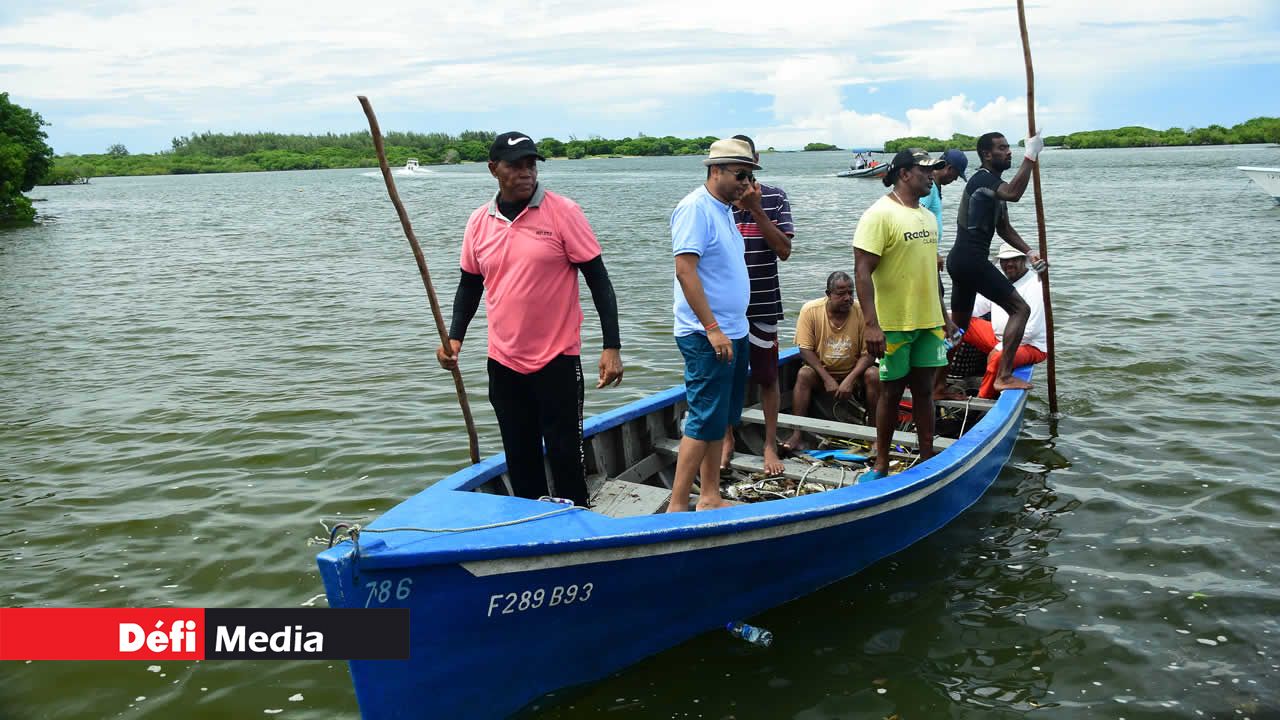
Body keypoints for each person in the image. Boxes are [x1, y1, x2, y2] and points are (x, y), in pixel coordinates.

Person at [437, 131, 624, 507]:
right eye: (515, 166)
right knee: (519, 453)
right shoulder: (479, 221)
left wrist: (611, 347)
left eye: (531, 165)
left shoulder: (563, 212)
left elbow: (599, 281)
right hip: (503, 360)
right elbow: (469, 285)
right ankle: (530, 528)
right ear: (494, 169)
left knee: (565, 453)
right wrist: (454, 337)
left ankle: (578, 525)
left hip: (557, 358)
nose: (526, 173)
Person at [666, 137, 757, 512]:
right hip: (706, 335)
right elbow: (685, 270)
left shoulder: (725, 209)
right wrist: (712, 327)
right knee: (704, 418)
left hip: (735, 330)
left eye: (750, 176)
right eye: (740, 174)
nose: (747, 184)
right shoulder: (695, 209)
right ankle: (676, 505)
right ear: (714, 170)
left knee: (721, 417)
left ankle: (709, 495)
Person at [853, 148, 955, 482]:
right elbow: (862, 271)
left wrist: (944, 313)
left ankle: (927, 457)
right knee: (891, 393)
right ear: (904, 174)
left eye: (934, 170)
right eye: (925, 170)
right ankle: (881, 463)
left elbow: (930, 271)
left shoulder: (927, 215)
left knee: (925, 392)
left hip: (928, 322)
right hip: (894, 323)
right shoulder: (878, 215)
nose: (931, 176)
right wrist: (871, 324)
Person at [945, 131, 1046, 394]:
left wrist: (1029, 251)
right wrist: (1030, 155)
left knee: (959, 328)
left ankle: (935, 384)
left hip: (962, 261)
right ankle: (1004, 376)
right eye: (1002, 148)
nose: (1008, 151)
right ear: (987, 155)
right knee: (1020, 310)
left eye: (1009, 148)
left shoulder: (994, 187)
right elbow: (1014, 193)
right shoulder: (982, 179)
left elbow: (1004, 228)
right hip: (970, 259)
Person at [722, 134, 793, 476]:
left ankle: (768, 443)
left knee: (767, 377)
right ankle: (727, 438)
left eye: (747, 165)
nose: (743, 175)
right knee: (725, 376)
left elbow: (783, 250)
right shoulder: (715, 202)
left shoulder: (776, 197)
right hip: (724, 308)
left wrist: (756, 209)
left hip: (763, 302)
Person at [782, 271, 880, 453]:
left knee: (874, 375)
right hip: (823, 372)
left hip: (853, 372)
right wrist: (827, 378)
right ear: (828, 294)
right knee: (804, 374)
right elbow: (805, 349)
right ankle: (797, 433)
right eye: (841, 294)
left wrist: (850, 380)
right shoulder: (810, 310)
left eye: (851, 293)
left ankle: (874, 433)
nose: (847, 298)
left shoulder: (861, 312)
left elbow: (869, 355)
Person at [965, 243, 1048, 398]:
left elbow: (1030, 331)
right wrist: (949, 316)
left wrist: (999, 348)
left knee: (998, 358)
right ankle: (938, 382)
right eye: (1005, 260)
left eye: (1014, 259)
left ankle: (982, 400)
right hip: (998, 337)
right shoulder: (998, 281)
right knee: (957, 323)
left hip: (1030, 345)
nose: (1009, 264)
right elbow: (975, 308)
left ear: (1023, 260)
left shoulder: (1035, 285)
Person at [920, 148, 969, 401]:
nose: (953, 180)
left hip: (927, 263)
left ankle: (933, 383)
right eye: (954, 174)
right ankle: (936, 387)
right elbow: (916, 217)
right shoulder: (928, 191)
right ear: (948, 168)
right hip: (924, 264)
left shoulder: (934, 189)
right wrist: (932, 253)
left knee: (942, 326)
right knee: (948, 331)